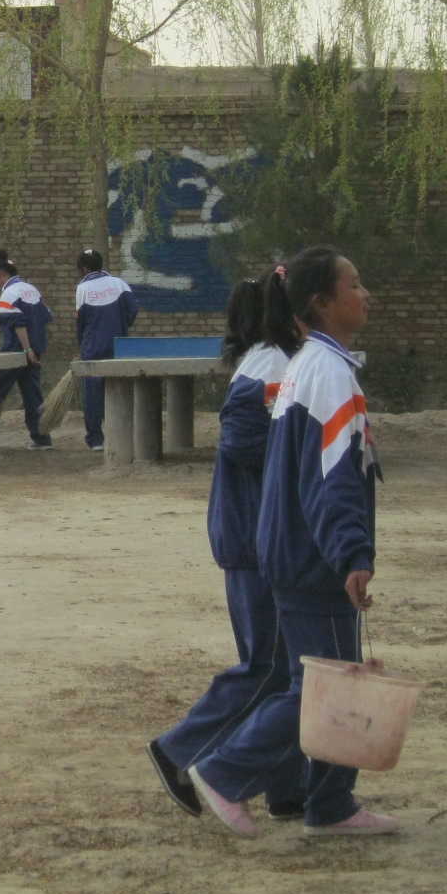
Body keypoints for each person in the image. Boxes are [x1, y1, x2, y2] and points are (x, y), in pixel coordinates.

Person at [187, 246, 397, 839]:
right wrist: (351, 553)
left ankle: (331, 804)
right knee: (317, 686)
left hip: (298, 549)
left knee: (336, 680)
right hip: (311, 556)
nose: (366, 294)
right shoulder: (324, 372)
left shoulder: (312, 364)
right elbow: (332, 478)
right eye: (354, 285)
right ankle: (225, 772)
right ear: (322, 302)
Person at [147, 270, 301, 821]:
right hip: (255, 537)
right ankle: (178, 750)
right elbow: (242, 437)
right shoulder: (271, 366)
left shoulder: (266, 361)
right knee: (269, 666)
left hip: (254, 533)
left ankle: (288, 786)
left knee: (285, 669)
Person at [0, 250, 53, 449]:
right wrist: (35, 348)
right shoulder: (31, 289)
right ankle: (42, 438)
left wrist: (26, 350)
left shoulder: (9, 293)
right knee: (33, 395)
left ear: (1, 274)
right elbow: (47, 316)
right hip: (36, 351)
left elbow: (18, 324)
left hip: (16, 352)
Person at [74, 248, 138, 451]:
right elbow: (133, 310)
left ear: (84, 269)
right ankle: (123, 435)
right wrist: (122, 325)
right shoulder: (119, 283)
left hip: (93, 347)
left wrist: (82, 345)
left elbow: (81, 322)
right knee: (120, 390)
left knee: (93, 395)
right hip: (119, 346)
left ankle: (96, 440)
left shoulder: (82, 288)